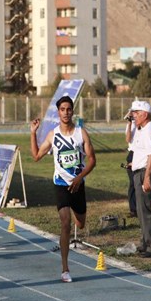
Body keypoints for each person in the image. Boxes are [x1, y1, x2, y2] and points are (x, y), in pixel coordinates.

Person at [30, 95, 96, 283]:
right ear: (58, 112)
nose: (66, 113)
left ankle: (78, 214)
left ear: (72, 111)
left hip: (78, 184)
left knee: (80, 223)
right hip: (60, 184)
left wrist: (79, 178)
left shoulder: (81, 133)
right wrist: (33, 133)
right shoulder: (53, 134)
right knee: (65, 223)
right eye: (62, 109)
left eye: (68, 109)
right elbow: (35, 156)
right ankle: (65, 269)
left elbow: (92, 160)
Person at [129, 100, 151, 258]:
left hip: (145, 174)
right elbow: (142, 153)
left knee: (145, 212)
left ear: (145, 114)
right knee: (141, 212)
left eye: (136, 113)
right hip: (140, 172)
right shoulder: (142, 130)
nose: (133, 115)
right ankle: (145, 242)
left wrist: (147, 177)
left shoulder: (149, 130)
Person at [124, 110, 137, 217]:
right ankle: (133, 209)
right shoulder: (130, 125)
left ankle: (140, 207)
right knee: (133, 182)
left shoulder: (143, 126)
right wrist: (129, 124)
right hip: (132, 154)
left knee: (140, 182)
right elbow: (128, 139)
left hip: (141, 153)